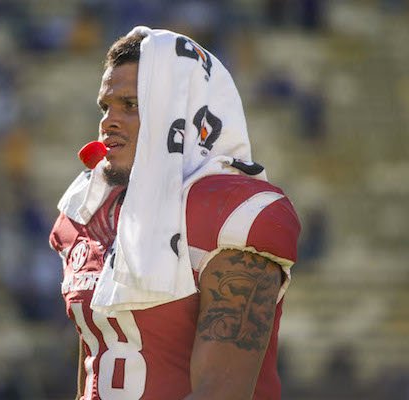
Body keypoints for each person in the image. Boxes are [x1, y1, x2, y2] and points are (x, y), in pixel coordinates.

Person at [49, 27, 301, 400]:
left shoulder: (233, 214)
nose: (107, 123)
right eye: (106, 106)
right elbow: (94, 368)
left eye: (131, 105)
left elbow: (221, 393)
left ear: (182, 114)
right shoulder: (86, 212)